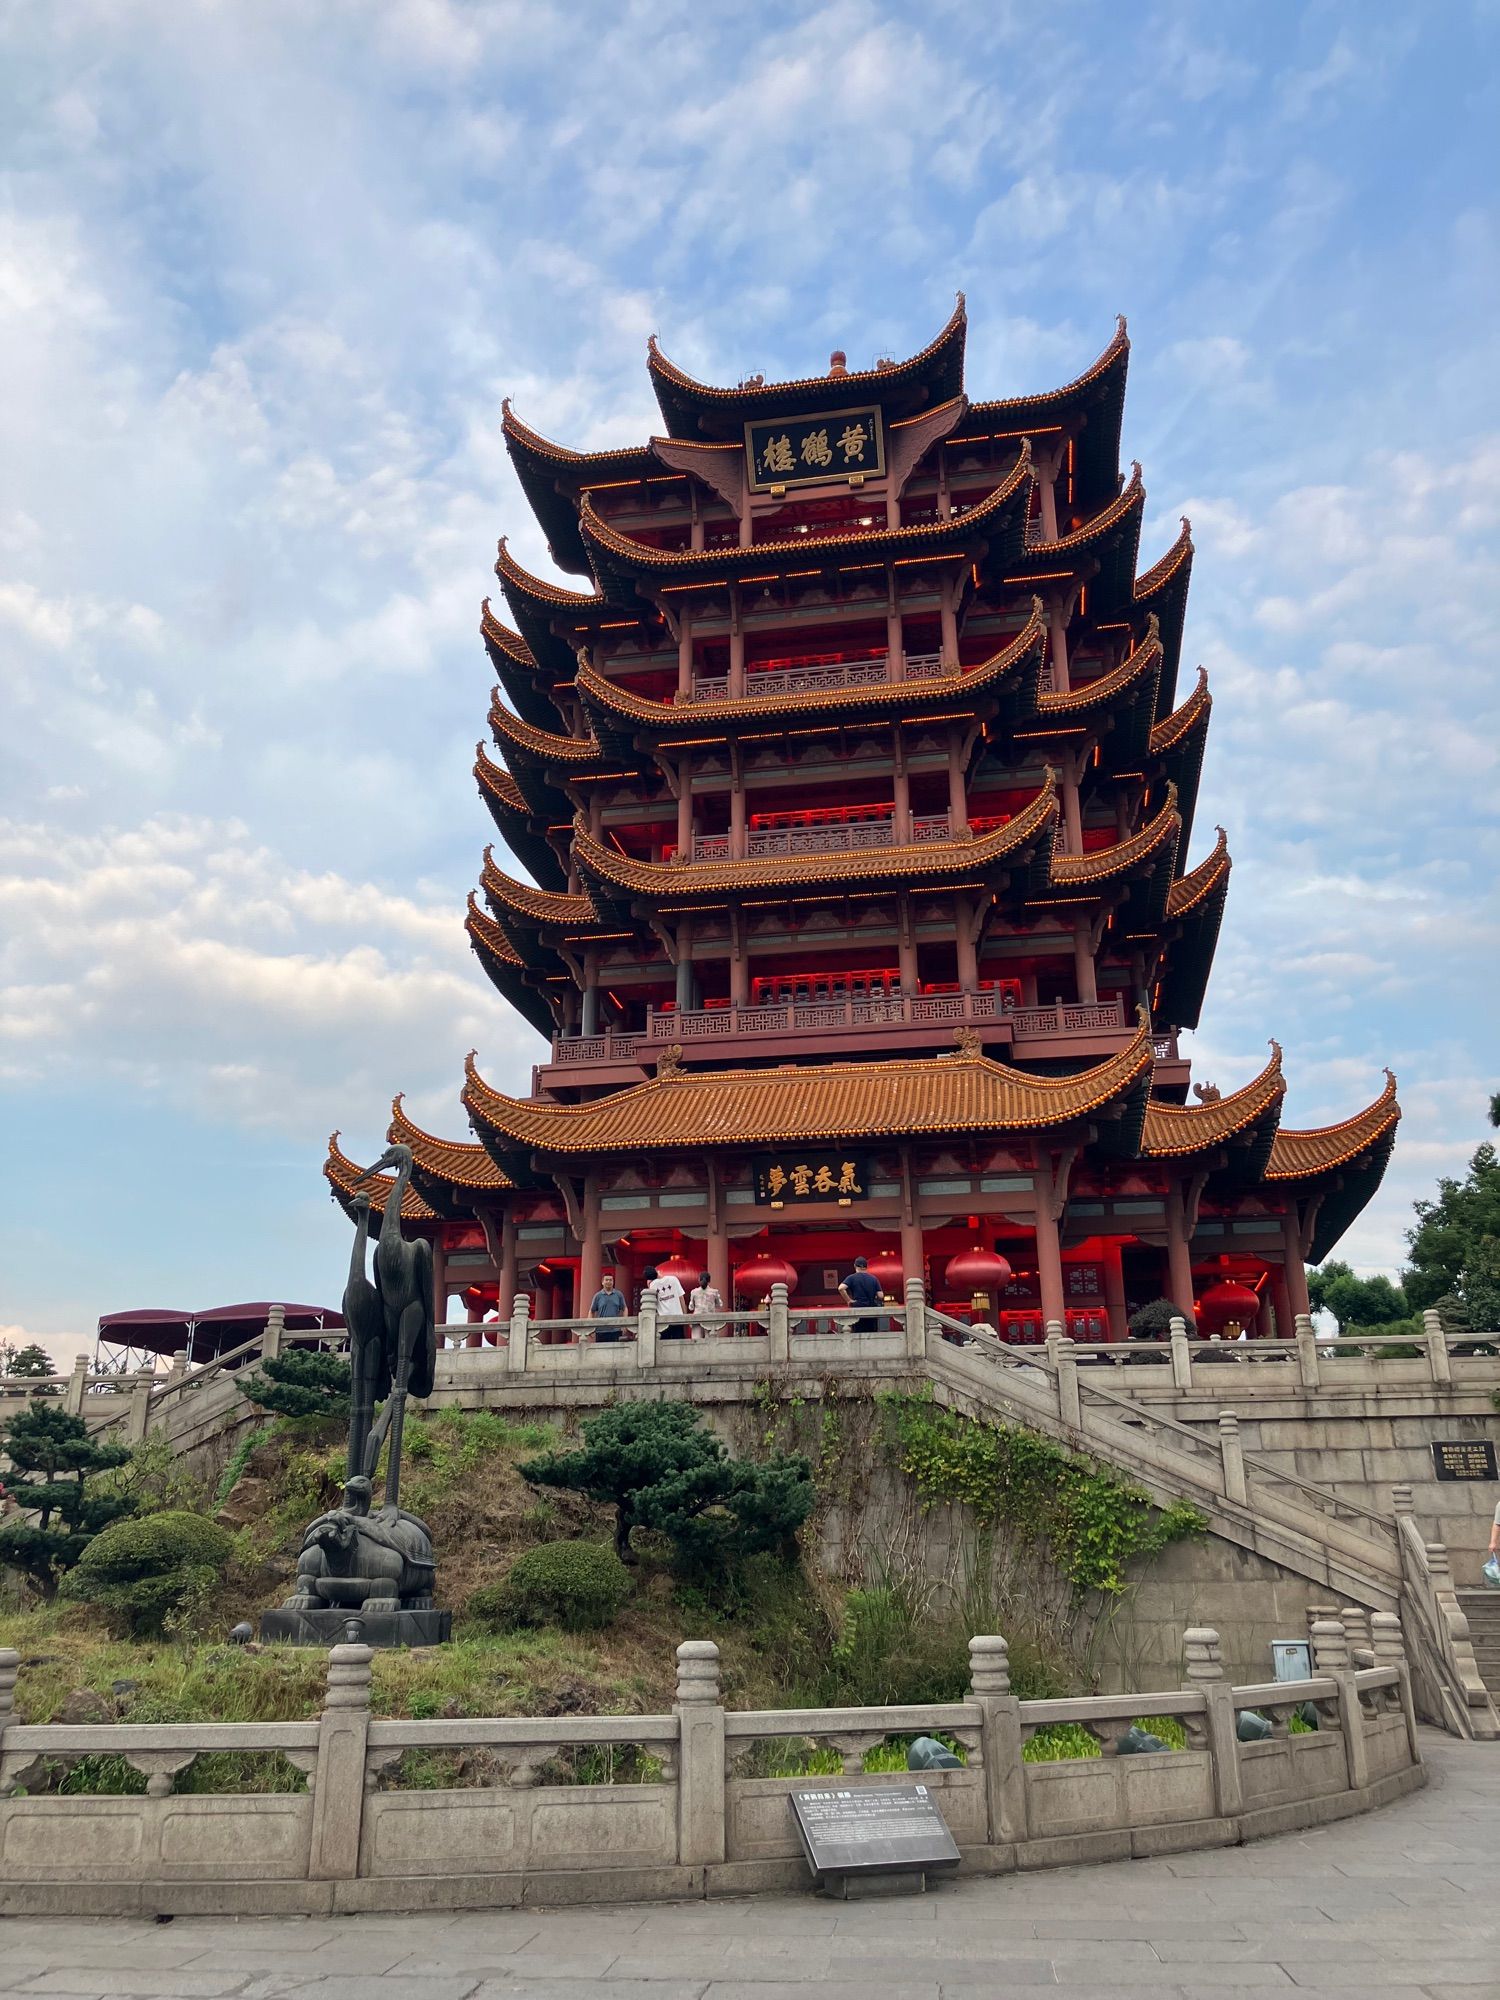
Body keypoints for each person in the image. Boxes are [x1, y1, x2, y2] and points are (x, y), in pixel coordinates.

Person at [838, 1255, 884, 1334]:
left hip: (857, 1309)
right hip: (871, 1310)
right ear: (866, 1267)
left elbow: (841, 1288)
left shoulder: (851, 1278)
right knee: (872, 1334)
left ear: (855, 1266)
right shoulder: (873, 1278)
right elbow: (881, 1295)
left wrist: (849, 1300)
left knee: (858, 1334)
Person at [641, 1264, 688, 1336]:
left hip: (663, 1321)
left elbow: (653, 1302)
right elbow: (681, 1298)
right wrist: (685, 1315)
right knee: (678, 1342)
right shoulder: (673, 1279)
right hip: (677, 1318)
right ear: (656, 1271)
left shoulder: (653, 1285)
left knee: (665, 1344)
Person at [589, 1273, 628, 1343]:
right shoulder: (598, 1296)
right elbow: (591, 1311)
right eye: (606, 1280)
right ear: (602, 1282)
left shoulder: (619, 1294)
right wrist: (590, 1327)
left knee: (616, 1352)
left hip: (616, 1330)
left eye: (610, 1280)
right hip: (601, 1330)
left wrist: (624, 1324)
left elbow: (625, 1308)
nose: (608, 1282)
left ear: (613, 1282)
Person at [688, 1270, 726, 1337]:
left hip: (697, 1319)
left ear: (699, 1280)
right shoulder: (714, 1292)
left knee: (696, 1341)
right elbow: (719, 1305)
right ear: (709, 1281)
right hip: (710, 1319)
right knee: (709, 1341)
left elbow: (691, 1307)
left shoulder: (694, 1292)